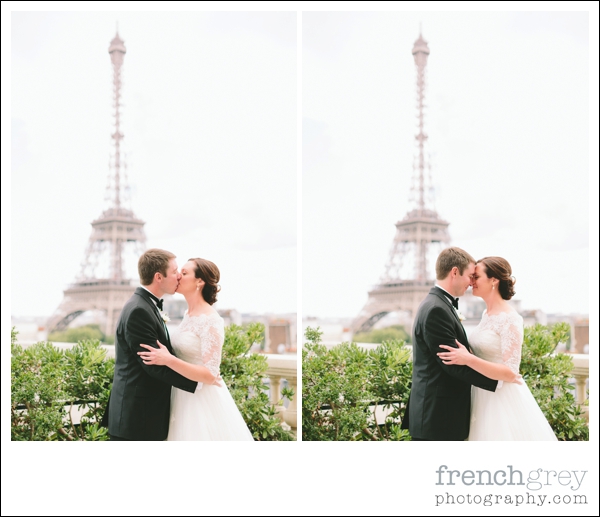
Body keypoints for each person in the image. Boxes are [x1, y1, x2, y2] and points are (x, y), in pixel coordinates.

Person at [437, 256, 558, 441]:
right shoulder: (487, 314)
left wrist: (468, 359)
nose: (471, 281)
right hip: (480, 394)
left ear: (494, 280)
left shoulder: (511, 318)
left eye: (476, 277)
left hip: (501, 399)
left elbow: (511, 372)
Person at [400, 247, 512, 441]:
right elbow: (452, 364)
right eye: (470, 275)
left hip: (437, 414)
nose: (471, 282)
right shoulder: (437, 309)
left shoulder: (437, 303)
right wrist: (500, 380)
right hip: (438, 417)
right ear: (454, 272)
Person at [138, 257, 254, 441]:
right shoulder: (188, 314)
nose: (177, 276)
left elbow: (210, 374)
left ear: (200, 281)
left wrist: (168, 359)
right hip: (180, 394)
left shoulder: (211, 320)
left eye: (184, 273)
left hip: (200, 400)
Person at [105, 248, 203, 441]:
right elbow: (153, 365)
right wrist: (200, 381)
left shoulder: (145, 305)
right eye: (175, 271)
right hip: (137, 418)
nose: (178, 277)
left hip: (141, 415)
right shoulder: (139, 311)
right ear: (159, 277)